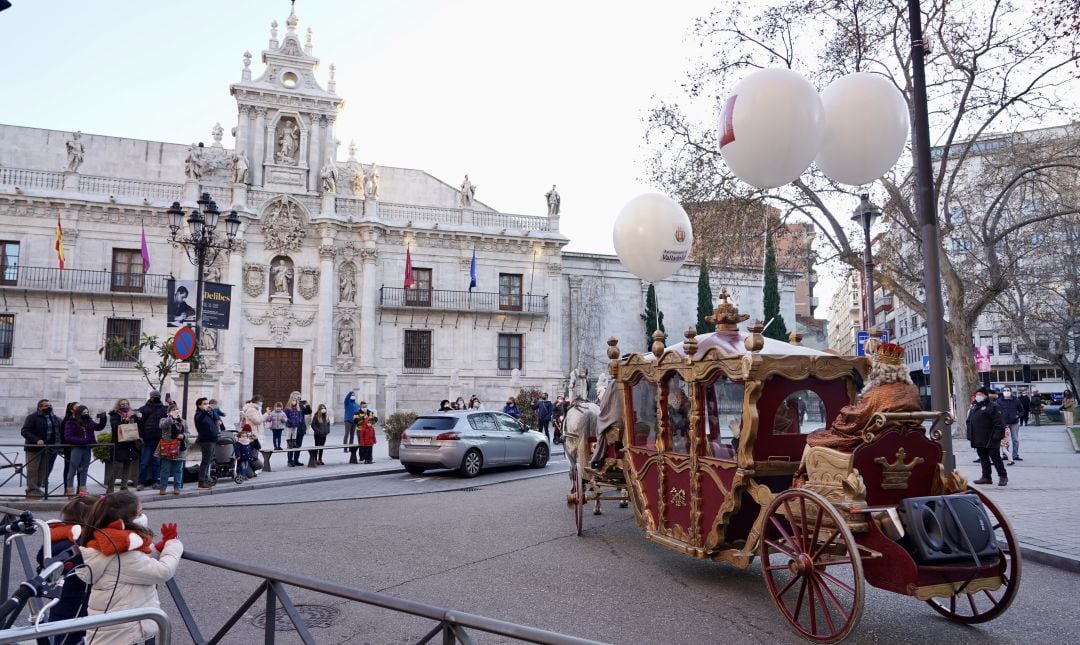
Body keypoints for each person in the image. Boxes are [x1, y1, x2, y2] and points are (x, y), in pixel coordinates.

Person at [78, 491, 183, 645]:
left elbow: (137, 561)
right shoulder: (121, 554)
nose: (143, 516)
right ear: (125, 520)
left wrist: (156, 548)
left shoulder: (106, 542)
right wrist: (174, 544)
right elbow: (162, 572)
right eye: (139, 513)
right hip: (122, 630)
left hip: (113, 627)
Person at [805, 343, 924, 452]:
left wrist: (845, 411)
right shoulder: (913, 390)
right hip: (911, 440)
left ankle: (800, 474)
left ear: (879, 369)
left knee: (814, 439)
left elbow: (856, 419)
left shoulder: (878, 393)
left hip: (875, 441)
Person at [38, 496, 95, 645]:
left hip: (61, 599)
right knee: (72, 637)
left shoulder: (58, 536)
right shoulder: (81, 543)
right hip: (79, 601)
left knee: (61, 635)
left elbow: (42, 556)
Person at [21, 399, 61, 498]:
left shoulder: (53, 417)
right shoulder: (32, 417)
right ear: (40, 407)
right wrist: (36, 440)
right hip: (34, 448)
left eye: (50, 405)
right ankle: (31, 491)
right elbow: (25, 431)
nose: (49, 407)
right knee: (33, 470)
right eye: (46, 406)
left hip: (46, 448)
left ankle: (37, 489)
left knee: (42, 470)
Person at [63, 405, 107, 497]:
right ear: (79, 413)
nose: (86, 414)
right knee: (72, 469)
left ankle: (82, 490)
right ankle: (70, 491)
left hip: (87, 448)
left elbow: (99, 427)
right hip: (77, 448)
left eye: (87, 412)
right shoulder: (71, 422)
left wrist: (103, 418)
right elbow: (68, 437)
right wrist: (83, 441)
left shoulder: (89, 421)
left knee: (84, 469)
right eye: (84, 413)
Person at [968, 387, 1008, 486]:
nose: (979, 396)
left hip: (991, 438)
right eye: (978, 394)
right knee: (983, 458)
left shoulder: (993, 406)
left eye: (981, 394)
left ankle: (1003, 476)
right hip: (978, 438)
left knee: (995, 458)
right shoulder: (974, 407)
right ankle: (986, 477)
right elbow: (969, 421)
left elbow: (999, 423)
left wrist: (997, 436)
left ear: (986, 396)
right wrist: (970, 435)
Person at [106, 398, 142, 494]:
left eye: (126, 404)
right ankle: (110, 486)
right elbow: (115, 427)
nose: (125, 405)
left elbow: (138, 426)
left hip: (131, 442)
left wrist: (139, 418)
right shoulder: (114, 414)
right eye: (122, 404)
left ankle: (124, 486)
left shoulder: (132, 414)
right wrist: (125, 420)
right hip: (119, 443)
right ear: (118, 405)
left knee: (128, 464)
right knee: (117, 466)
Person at [137, 391, 168, 491]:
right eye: (154, 397)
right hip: (147, 439)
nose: (156, 398)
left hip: (159, 439)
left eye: (158, 397)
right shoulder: (144, 409)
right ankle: (141, 482)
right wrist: (141, 435)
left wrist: (171, 402)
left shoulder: (164, 409)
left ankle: (156, 481)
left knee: (156, 462)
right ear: (150, 397)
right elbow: (139, 423)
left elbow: (174, 411)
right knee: (144, 462)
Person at [157, 403, 187, 495]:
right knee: (165, 469)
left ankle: (177, 488)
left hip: (179, 448)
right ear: (169, 412)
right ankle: (163, 488)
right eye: (173, 410)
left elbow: (188, 433)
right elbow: (161, 426)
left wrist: (184, 435)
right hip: (167, 447)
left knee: (178, 470)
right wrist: (171, 418)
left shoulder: (183, 421)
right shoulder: (164, 420)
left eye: (176, 410)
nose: (175, 411)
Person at [194, 397, 219, 489]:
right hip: (206, 440)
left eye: (208, 403)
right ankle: (201, 481)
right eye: (204, 404)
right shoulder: (199, 414)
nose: (207, 405)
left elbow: (216, 420)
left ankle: (206, 479)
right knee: (205, 461)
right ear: (199, 405)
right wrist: (205, 411)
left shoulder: (208, 414)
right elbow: (199, 420)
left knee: (208, 460)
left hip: (212, 439)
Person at [996, 386, 1022, 464]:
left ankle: (1015, 455)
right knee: (1004, 440)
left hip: (1014, 423)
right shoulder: (999, 401)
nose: (1006, 391)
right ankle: (1005, 455)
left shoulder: (1016, 400)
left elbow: (1022, 411)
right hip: (1004, 423)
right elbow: (997, 411)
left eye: (1008, 390)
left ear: (1011, 391)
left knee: (1015, 439)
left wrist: (1017, 416)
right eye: (1005, 390)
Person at [284, 392, 311, 467]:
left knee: (298, 445)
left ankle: (296, 460)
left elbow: (308, 412)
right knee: (291, 445)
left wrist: (307, 405)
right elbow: (285, 417)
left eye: (299, 397)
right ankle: (290, 461)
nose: (298, 398)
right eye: (296, 397)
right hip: (292, 428)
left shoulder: (301, 406)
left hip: (301, 428)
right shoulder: (288, 407)